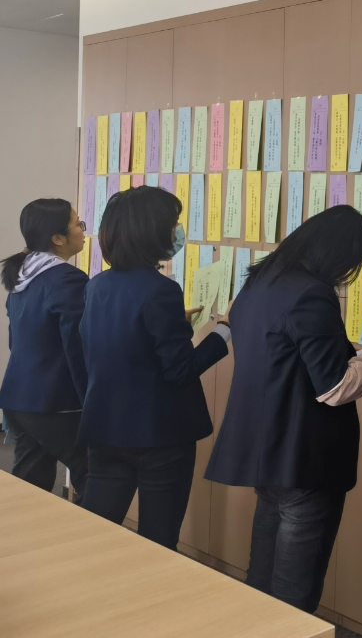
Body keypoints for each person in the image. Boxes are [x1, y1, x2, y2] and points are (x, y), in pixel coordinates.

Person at [206, 205, 362, 613]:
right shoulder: (311, 294)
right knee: (295, 590)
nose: (347, 274)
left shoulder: (259, 282)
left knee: (262, 575)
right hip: (304, 457)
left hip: (265, 451)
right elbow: (334, 386)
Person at [78, 186, 231, 549]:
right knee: (158, 542)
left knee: (94, 534)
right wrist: (224, 330)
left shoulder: (97, 286)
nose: (177, 230)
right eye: (172, 222)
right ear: (152, 231)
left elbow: (120, 345)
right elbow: (180, 370)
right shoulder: (160, 289)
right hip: (158, 434)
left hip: (105, 426)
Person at [0, 198, 90, 495]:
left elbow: (16, 340)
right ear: (58, 238)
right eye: (78, 224)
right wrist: (90, 400)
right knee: (96, 476)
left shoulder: (23, 274)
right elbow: (77, 347)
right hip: (55, 402)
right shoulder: (67, 278)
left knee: (30, 485)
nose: (83, 230)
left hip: (19, 398)